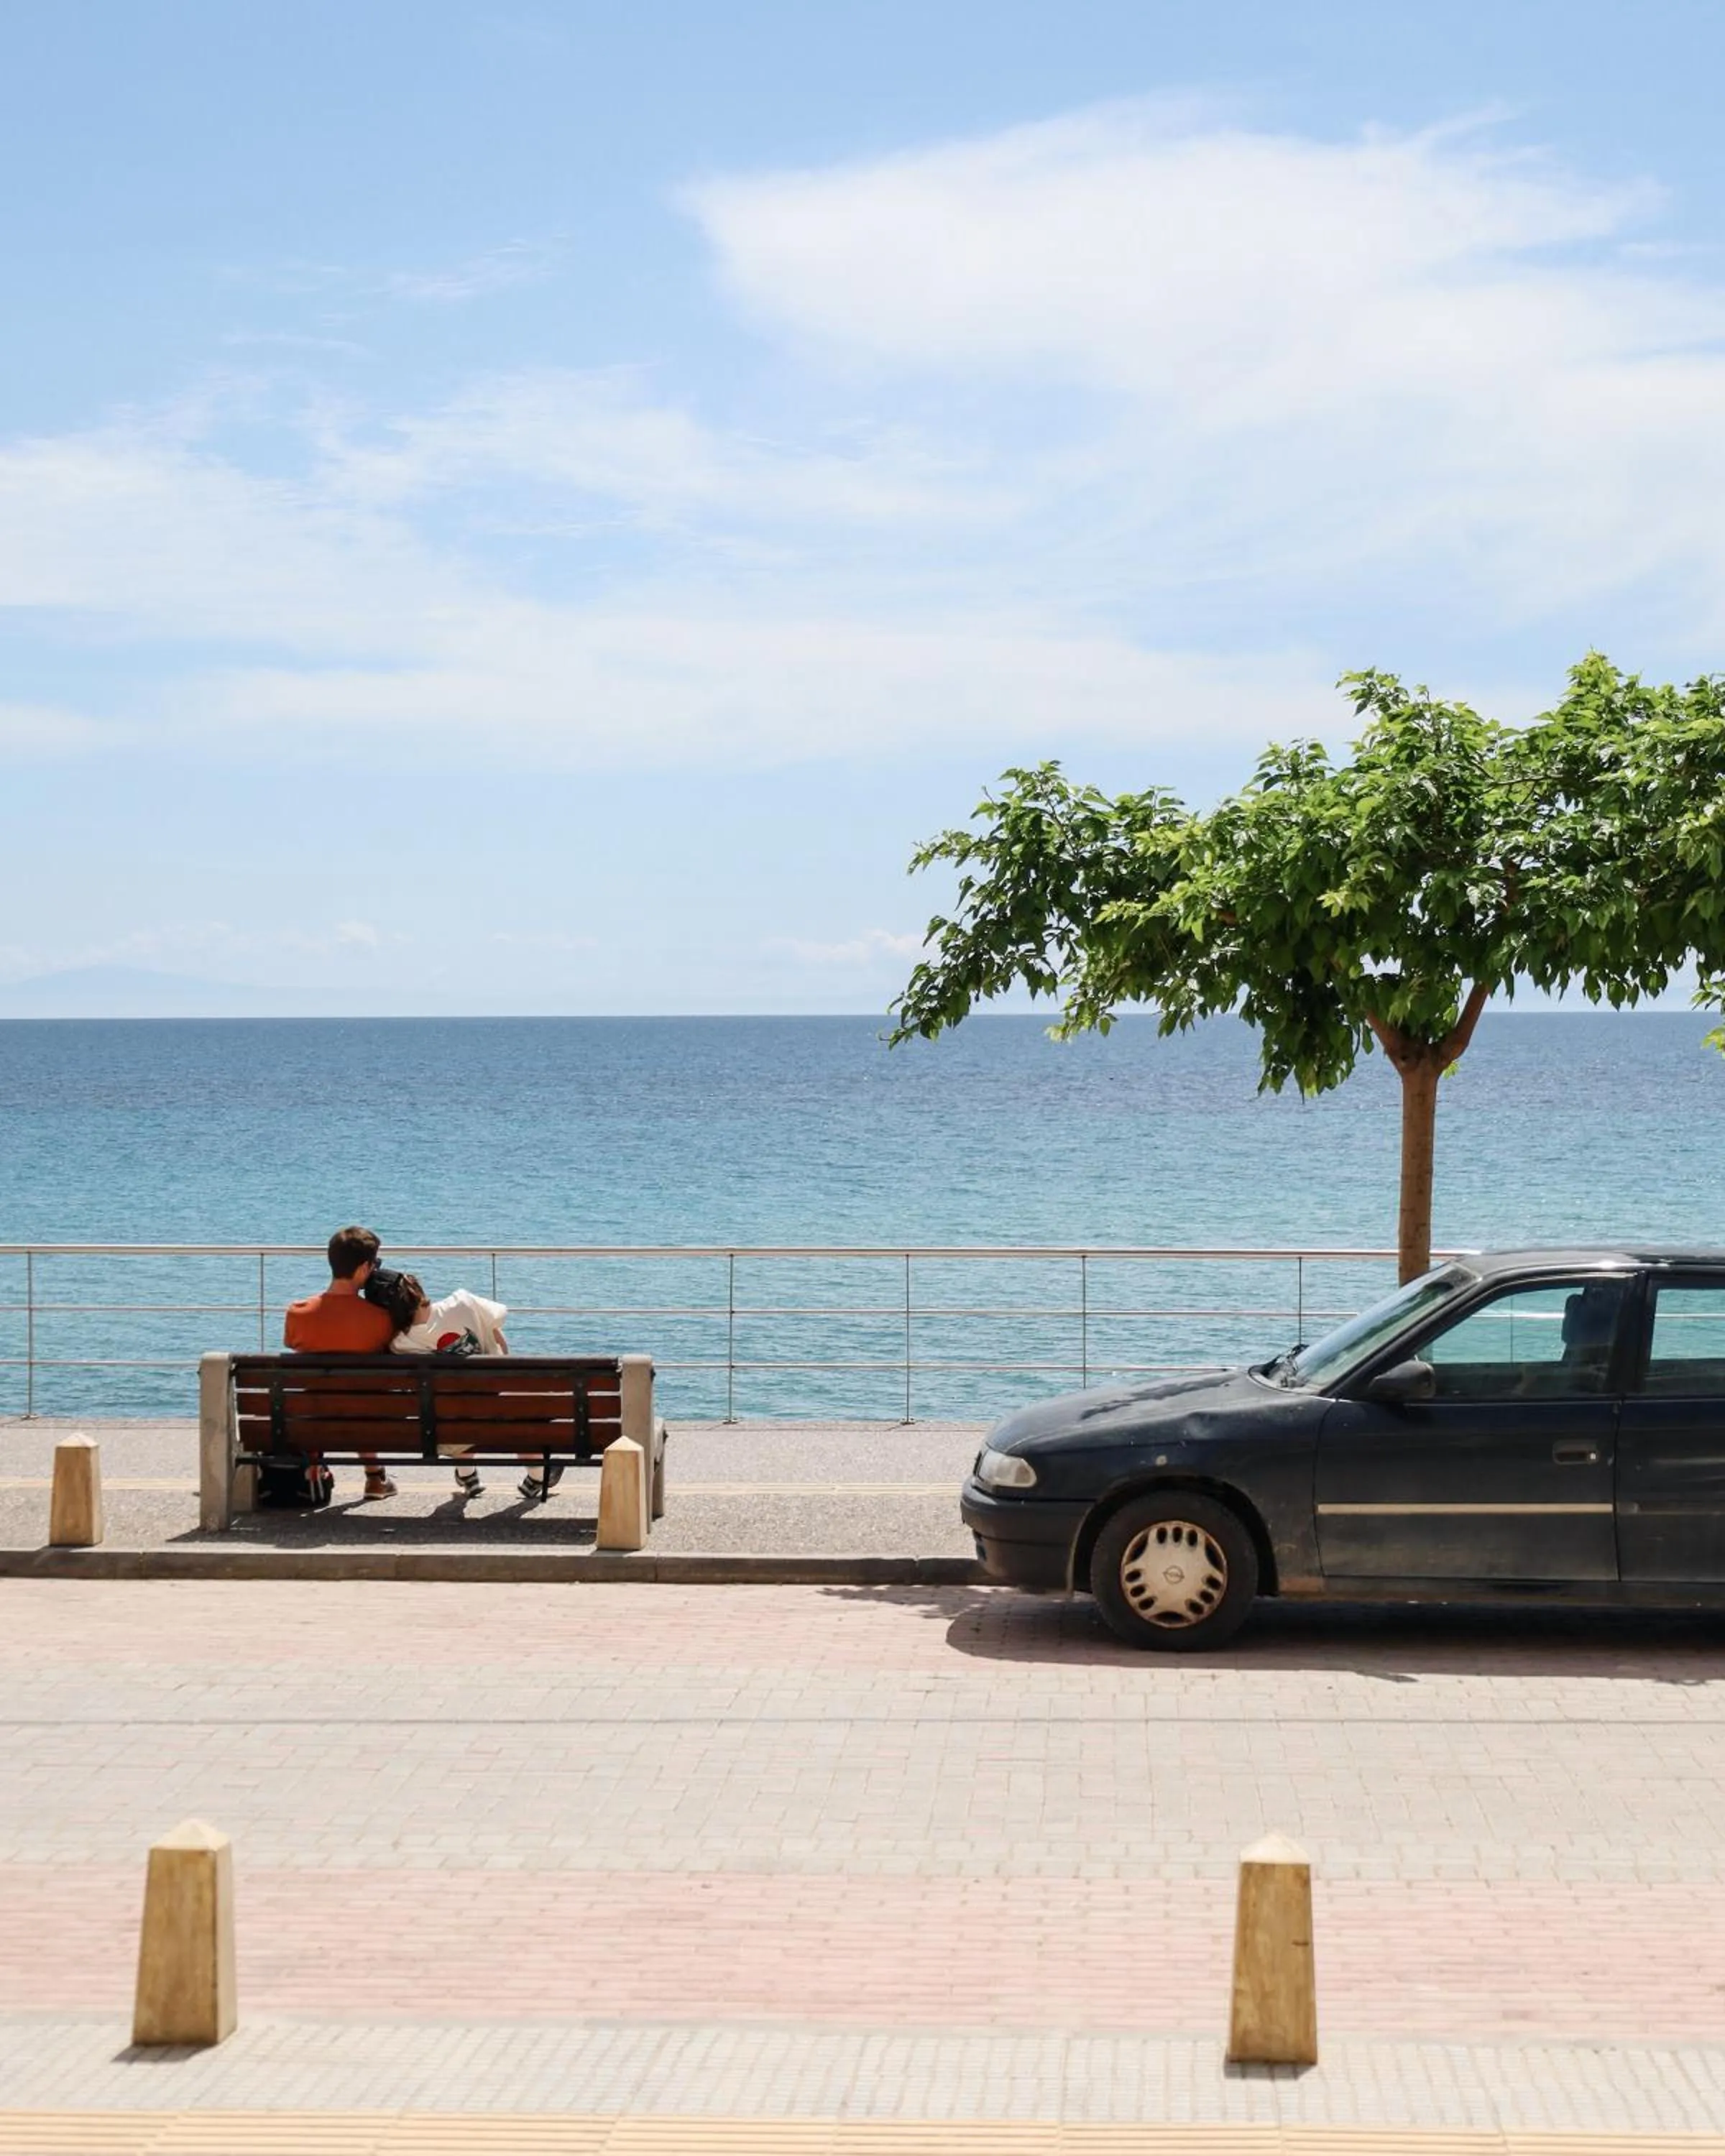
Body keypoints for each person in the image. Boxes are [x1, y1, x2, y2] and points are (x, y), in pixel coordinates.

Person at [367, 1268, 564, 1503]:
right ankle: (539, 1475)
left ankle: (468, 1475)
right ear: (416, 1288)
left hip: (450, 1429)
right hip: (499, 1407)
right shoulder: (463, 1302)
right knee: (505, 1409)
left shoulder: (401, 1344)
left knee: (452, 1407)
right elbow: (498, 1335)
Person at [282, 1225, 399, 1501]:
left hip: (315, 1415)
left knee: (324, 1395)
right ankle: (374, 1476)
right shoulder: (380, 1319)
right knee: (360, 1397)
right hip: (370, 1417)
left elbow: (292, 1343)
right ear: (362, 1270)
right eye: (374, 1265)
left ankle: (314, 1472)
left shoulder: (298, 1313)